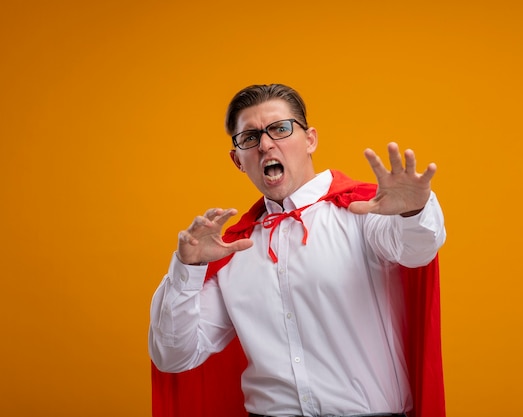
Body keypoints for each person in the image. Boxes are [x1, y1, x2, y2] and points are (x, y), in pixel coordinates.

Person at [149, 84, 446, 417]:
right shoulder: (232, 248)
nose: (264, 144)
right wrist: (187, 268)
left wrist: (413, 211)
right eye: (249, 137)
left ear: (310, 140)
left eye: (279, 129)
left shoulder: (364, 212)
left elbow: (417, 251)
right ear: (238, 160)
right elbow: (173, 355)